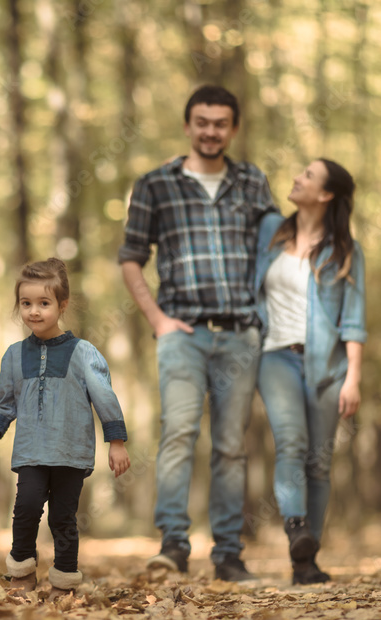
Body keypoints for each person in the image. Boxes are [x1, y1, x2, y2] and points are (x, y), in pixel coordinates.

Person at [119, 84, 280, 581]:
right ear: (188, 126)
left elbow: (277, 251)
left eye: (221, 123)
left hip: (240, 335)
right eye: (203, 122)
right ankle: (173, 546)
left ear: (233, 128)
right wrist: (158, 321)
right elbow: (130, 259)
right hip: (181, 334)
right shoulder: (156, 184)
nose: (211, 131)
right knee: (179, 435)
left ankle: (229, 553)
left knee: (231, 445)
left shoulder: (253, 181)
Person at [0, 259, 130, 595]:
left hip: (71, 452)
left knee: (62, 518)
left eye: (44, 303)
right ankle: (22, 573)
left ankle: (64, 580)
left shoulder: (83, 353)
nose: (34, 312)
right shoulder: (13, 355)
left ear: (62, 305)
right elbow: (6, 403)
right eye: (26, 304)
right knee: (25, 509)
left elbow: (104, 397)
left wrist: (116, 442)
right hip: (31, 451)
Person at [254, 158, 366, 585]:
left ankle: (306, 561)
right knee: (292, 442)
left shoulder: (346, 252)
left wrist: (353, 377)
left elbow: (353, 321)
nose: (297, 177)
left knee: (319, 462)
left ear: (325, 195)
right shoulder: (270, 232)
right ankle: (296, 527)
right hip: (274, 355)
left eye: (308, 175)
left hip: (328, 366)